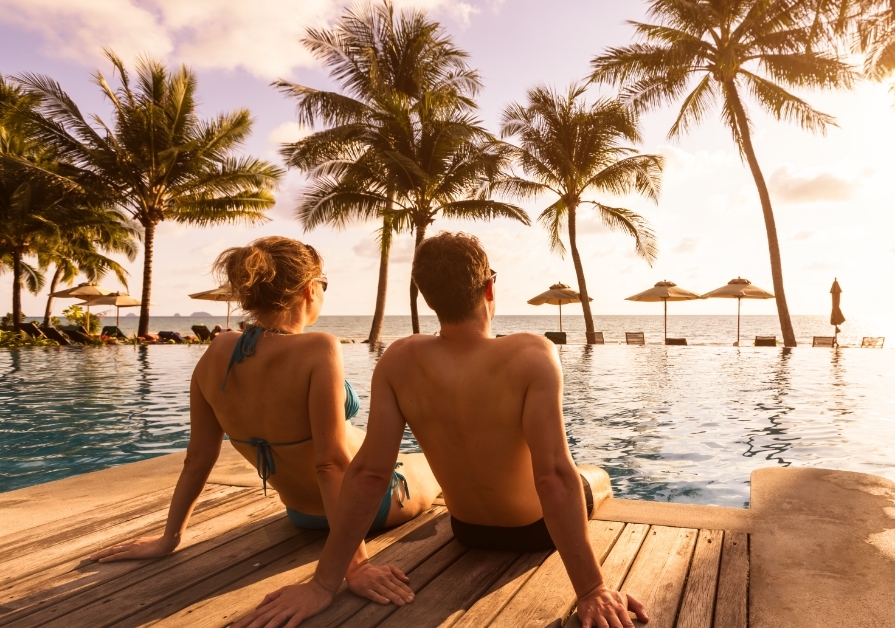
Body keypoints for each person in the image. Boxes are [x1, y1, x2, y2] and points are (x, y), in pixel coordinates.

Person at [237, 232, 647, 628]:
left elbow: (369, 474)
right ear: (489, 288)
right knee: (594, 476)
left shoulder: (399, 359)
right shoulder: (531, 353)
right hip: (533, 532)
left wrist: (323, 584)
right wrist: (592, 588)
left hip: (466, 530)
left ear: (426, 295)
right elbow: (552, 476)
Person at [91, 236, 439, 605]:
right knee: (434, 461)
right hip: (366, 510)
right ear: (309, 289)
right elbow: (331, 464)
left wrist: (169, 539)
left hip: (300, 513)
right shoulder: (320, 348)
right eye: (324, 284)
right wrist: (353, 568)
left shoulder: (216, 352)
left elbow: (197, 458)